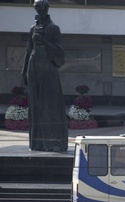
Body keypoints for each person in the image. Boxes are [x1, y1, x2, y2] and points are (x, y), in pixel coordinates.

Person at [21, 0, 68, 152]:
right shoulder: (32, 28)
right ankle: (37, 143)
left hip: (48, 70)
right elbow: (28, 51)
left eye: (43, 9)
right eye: (38, 9)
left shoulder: (54, 28)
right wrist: (24, 72)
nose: (41, 12)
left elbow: (60, 52)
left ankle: (53, 143)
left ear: (47, 9)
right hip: (34, 70)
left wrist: (44, 41)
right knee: (36, 106)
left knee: (50, 105)